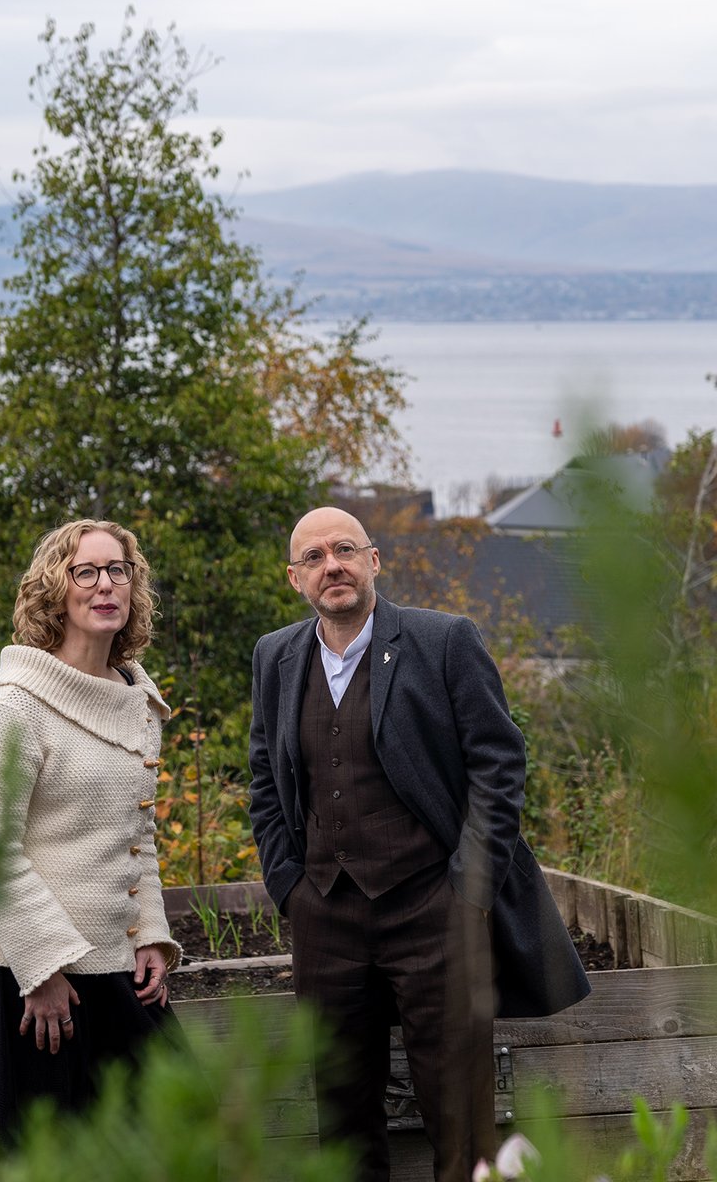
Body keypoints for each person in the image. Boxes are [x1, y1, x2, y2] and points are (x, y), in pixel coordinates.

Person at [248, 506, 590, 1182]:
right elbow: (264, 775)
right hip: (325, 915)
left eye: (345, 549)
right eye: (313, 558)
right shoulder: (275, 656)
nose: (332, 565)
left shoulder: (444, 641)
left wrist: (469, 890)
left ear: (374, 561)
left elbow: (499, 763)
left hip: (434, 909)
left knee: (458, 1103)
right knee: (341, 1106)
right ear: (295, 579)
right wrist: (289, 886)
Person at [0, 518, 182, 1151]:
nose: (105, 584)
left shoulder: (134, 696)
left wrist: (152, 936)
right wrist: (44, 971)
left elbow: (138, 837)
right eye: (86, 571)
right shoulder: (13, 708)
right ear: (55, 589)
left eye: (119, 571)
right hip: (28, 983)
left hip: (113, 971)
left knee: (180, 1128)